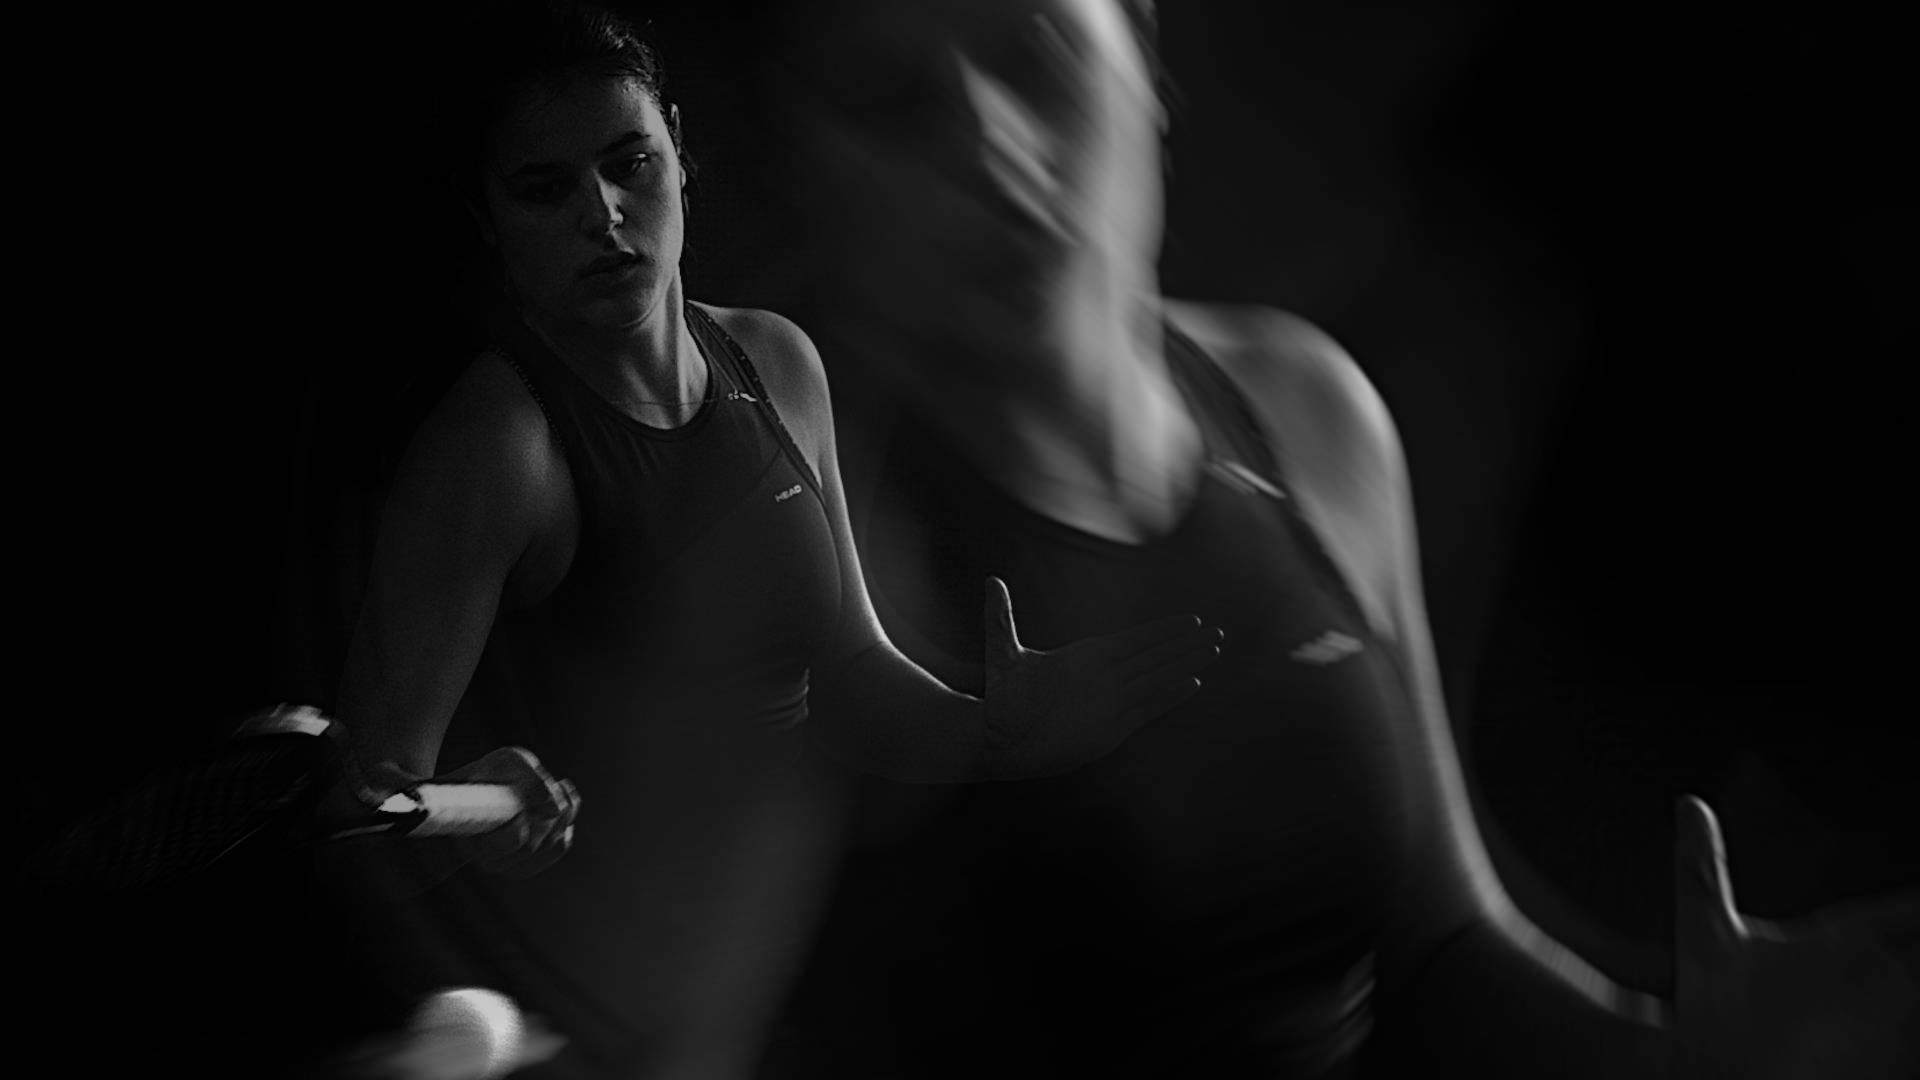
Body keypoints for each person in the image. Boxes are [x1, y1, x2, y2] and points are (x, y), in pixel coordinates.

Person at [761, 1, 1920, 1076]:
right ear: (814, 166)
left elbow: (1442, 951)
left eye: (1033, 53)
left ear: (1141, 54)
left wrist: (1706, 1050)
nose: (990, 144)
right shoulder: (802, 542)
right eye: (892, 101)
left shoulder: (1304, 410)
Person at [326, 3, 1223, 1078]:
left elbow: (855, 680)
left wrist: (996, 720)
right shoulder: (497, 449)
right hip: (560, 1035)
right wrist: (470, 811)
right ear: (489, 218)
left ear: (677, 154)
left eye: (629, 164)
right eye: (544, 188)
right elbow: (360, 809)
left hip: (740, 1023)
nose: (603, 214)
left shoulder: (779, 364)